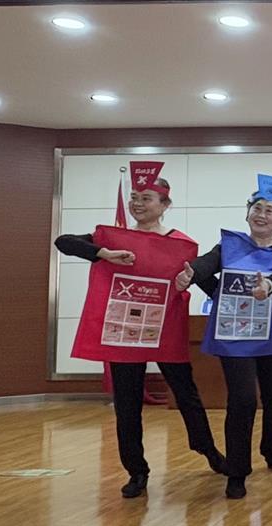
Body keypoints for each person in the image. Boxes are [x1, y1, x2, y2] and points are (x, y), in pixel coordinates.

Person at [55, 163, 223, 497]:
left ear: (165, 204)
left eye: (146, 198)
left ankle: (208, 450)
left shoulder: (180, 245)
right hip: (123, 333)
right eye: (134, 197)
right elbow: (63, 241)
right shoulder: (112, 240)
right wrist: (103, 253)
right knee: (127, 404)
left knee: (187, 395)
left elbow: (209, 284)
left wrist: (238, 299)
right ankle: (137, 470)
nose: (138, 203)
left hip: (165, 331)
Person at [175, 174, 272, 499]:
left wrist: (269, 285)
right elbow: (206, 264)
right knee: (243, 399)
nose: (262, 215)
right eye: (256, 208)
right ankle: (237, 471)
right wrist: (191, 274)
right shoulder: (230, 245)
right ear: (248, 214)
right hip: (235, 334)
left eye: (270, 210)